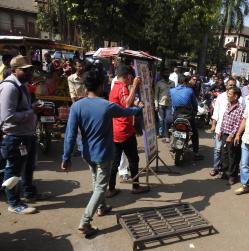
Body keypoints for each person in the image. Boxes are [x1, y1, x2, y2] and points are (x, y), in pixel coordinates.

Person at [61, 69, 143, 236]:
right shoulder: (107, 106)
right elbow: (127, 111)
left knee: (94, 178)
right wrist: (139, 108)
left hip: (87, 153)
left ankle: (101, 207)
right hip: (104, 154)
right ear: (100, 86)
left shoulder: (77, 106)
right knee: (100, 186)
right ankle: (85, 222)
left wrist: (66, 157)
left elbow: (70, 135)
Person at [0, 56, 49, 214]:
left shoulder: (22, 85)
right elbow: (7, 118)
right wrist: (31, 111)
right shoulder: (9, 87)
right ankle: (13, 203)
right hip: (15, 136)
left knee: (29, 167)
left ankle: (29, 193)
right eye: (25, 70)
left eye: (30, 70)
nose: (29, 73)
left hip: (27, 134)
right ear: (15, 70)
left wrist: (33, 109)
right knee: (13, 170)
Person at [107, 64, 149, 198]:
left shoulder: (115, 87)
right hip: (124, 130)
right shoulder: (123, 88)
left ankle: (111, 189)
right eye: (131, 78)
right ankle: (135, 186)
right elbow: (126, 103)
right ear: (128, 77)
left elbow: (125, 102)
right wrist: (135, 85)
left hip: (115, 130)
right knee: (133, 159)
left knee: (114, 161)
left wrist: (136, 103)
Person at [210, 78, 242, 176]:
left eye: (233, 85)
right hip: (221, 128)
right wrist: (214, 124)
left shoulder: (239, 99)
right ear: (226, 85)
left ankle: (227, 171)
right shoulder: (221, 97)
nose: (231, 86)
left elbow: (240, 119)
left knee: (229, 153)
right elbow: (217, 112)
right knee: (218, 150)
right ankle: (216, 167)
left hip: (232, 131)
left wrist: (235, 134)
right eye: (229, 85)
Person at [170, 75, 203, 160]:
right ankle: (196, 153)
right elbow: (194, 104)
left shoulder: (172, 90)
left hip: (176, 115)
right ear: (185, 82)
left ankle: (172, 143)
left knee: (173, 129)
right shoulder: (189, 90)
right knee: (194, 133)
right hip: (188, 116)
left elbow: (171, 103)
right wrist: (195, 111)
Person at [219, 87, 244, 185]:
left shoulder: (240, 109)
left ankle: (233, 176)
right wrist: (221, 131)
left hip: (232, 136)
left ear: (236, 96)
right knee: (224, 154)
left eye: (230, 94)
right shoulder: (227, 105)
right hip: (225, 134)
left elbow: (238, 123)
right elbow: (224, 119)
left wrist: (232, 135)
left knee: (232, 156)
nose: (228, 95)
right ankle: (225, 172)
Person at [154, 68, 175, 143]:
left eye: (168, 73)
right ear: (163, 75)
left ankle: (166, 134)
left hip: (169, 104)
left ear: (169, 74)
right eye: (165, 73)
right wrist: (156, 105)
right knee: (161, 120)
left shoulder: (172, 83)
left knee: (168, 119)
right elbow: (156, 95)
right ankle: (160, 133)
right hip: (160, 104)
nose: (167, 74)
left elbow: (174, 94)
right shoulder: (159, 83)